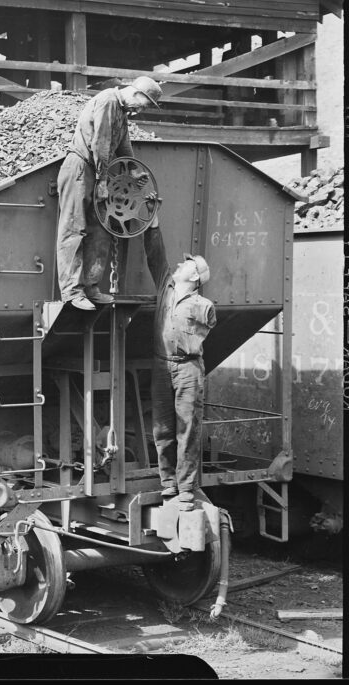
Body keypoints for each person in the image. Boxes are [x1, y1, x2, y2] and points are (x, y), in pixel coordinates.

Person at [56, 76, 163, 311]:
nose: (141, 111)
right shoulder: (107, 101)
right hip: (80, 168)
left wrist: (133, 172)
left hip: (97, 171)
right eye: (144, 105)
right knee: (74, 228)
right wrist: (103, 180)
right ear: (137, 94)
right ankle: (72, 292)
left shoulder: (122, 114)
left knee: (100, 230)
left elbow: (123, 146)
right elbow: (101, 143)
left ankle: (91, 288)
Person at [142, 209, 216, 510]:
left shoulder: (203, 305)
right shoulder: (165, 288)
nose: (179, 264)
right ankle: (168, 484)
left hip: (187, 368)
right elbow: (155, 255)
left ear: (195, 276)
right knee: (162, 429)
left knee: (187, 428)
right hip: (162, 365)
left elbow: (199, 334)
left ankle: (186, 488)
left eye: (186, 263)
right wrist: (153, 222)